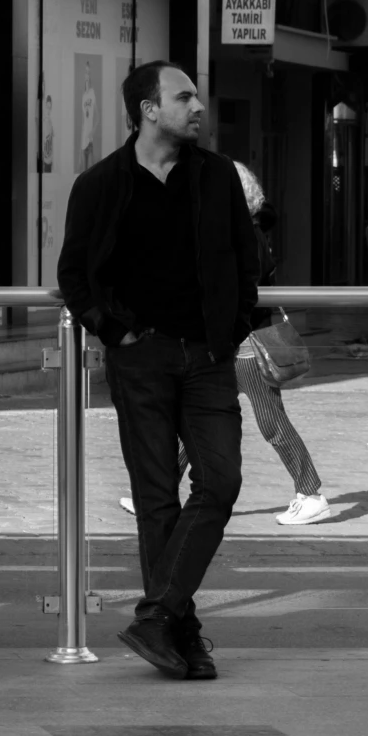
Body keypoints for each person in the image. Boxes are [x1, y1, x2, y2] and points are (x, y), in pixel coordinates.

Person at [57, 62, 258, 682]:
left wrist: (229, 329)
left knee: (221, 481)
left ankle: (158, 614)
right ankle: (182, 634)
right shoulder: (99, 184)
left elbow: (248, 262)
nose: (198, 106)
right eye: (184, 97)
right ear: (148, 109)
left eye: (197, 96)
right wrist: (115, 331)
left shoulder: (218, 176)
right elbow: (74, 276)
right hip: (139, 359)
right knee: (154, 500)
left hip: (207, 359)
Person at [237, 164, 332, 527]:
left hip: (246, 342)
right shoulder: (247, 229)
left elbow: (246, 283)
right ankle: (156, 490)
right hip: (235, 341)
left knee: (271, 420)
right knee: (197, 416)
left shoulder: (246, 233)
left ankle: (310, 493)